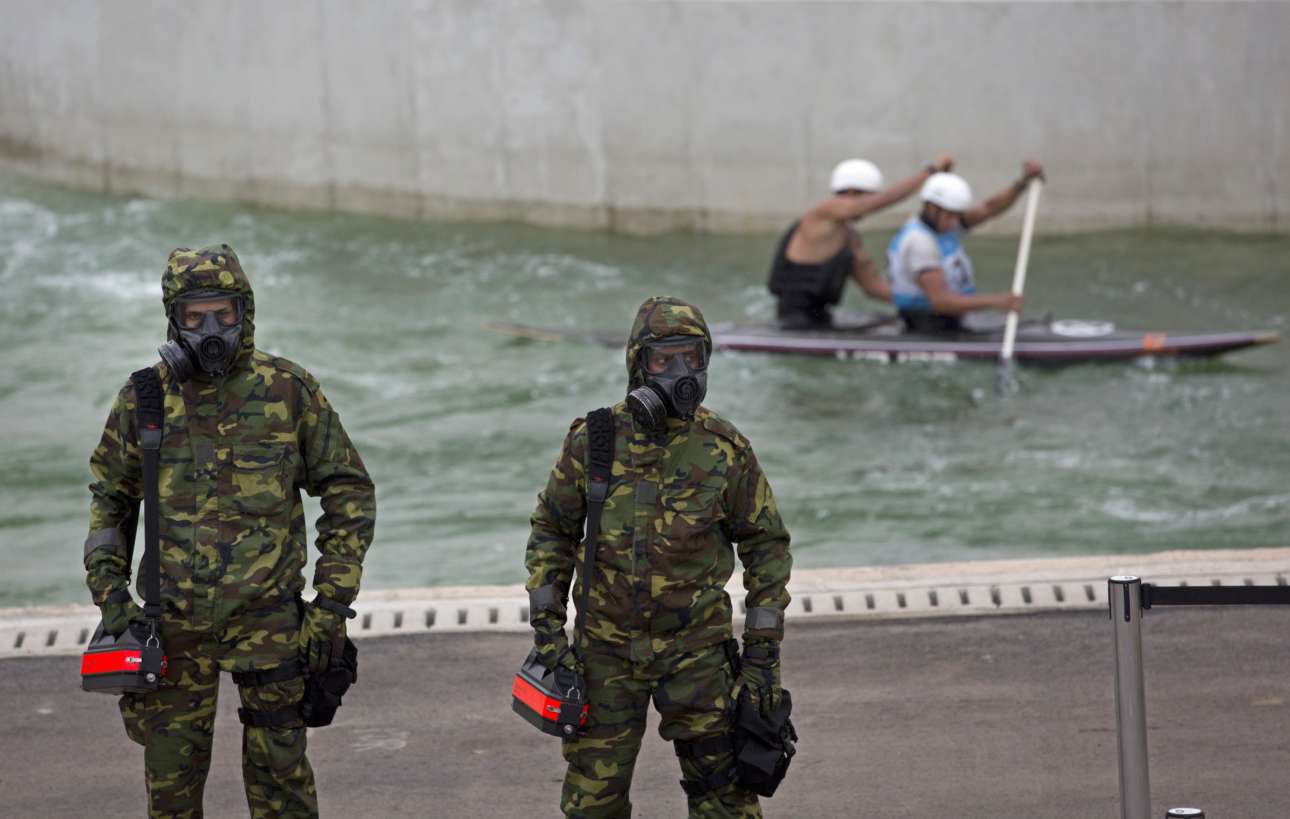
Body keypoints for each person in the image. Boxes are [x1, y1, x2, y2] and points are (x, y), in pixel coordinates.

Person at [83, 244, 376, 818]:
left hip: (268, 623)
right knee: (170, 792)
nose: (212, 329)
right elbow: (109, 502)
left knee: (282, 787)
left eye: (224, 312)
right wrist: (112, 599)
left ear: (246, 311)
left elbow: (348, 489)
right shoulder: (143, 398)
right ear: (173, 317)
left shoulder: (288, 390)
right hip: (170, 626)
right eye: (195, 317)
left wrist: (332, 600)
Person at [525, 296, 793, 818]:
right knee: (591, 805)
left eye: (693, 356)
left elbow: (766, 546)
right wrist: (548, 633)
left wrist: (762, 656)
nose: (680, 372)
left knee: (725, 799)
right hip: (605, 657)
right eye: (663, 359)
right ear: (637, 364)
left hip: (697, 657)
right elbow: (551, 531)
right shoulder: (594, 441)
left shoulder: (723, 448)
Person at [768, 154, 955, 329]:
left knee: (888, 321)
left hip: (822, 316)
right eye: (869, 197)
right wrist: (931, 172)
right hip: (792, 319)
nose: (870, 205)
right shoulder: (821, 214)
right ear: (851, 192)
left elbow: (872, 286)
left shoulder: (850, 237)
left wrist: (926, 301)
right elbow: (887, 199)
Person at [887, 161, 1045, 333]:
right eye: (950, 215)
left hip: (953, 318)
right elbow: (940, 301)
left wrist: (1021, 184)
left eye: (958, 215)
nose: (955, 222)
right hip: (927, 323)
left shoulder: (943, 225)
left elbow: (988, 208)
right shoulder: (920, 242)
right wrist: (996, 302)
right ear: (932, 208)